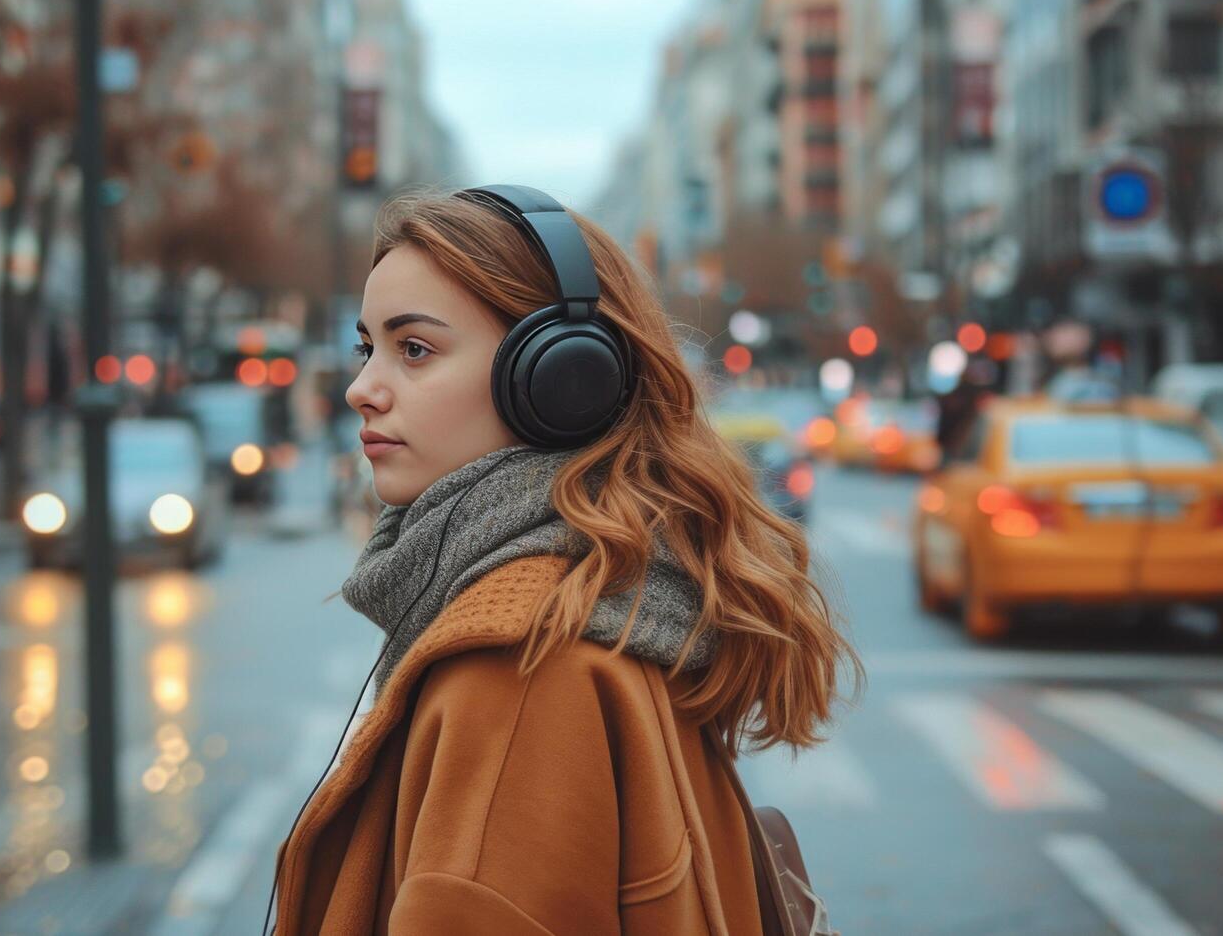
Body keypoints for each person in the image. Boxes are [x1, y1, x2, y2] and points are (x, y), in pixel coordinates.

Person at [271, 186, 862, 934]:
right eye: (367, 348)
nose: (362, 389)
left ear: (558, 378)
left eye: (413, 349)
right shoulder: (612, 589)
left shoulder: (516, 667)